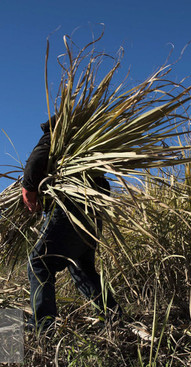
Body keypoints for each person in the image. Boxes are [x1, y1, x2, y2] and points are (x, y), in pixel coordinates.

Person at [22, 116, 122, 332]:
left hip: (70, 207)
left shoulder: (57, 138)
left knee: (39, 262)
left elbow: (37, 159)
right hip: (92, 211)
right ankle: (113, 317)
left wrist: (28, 188)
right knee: (81, 265)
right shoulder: (87, 149)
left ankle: (42, 326)